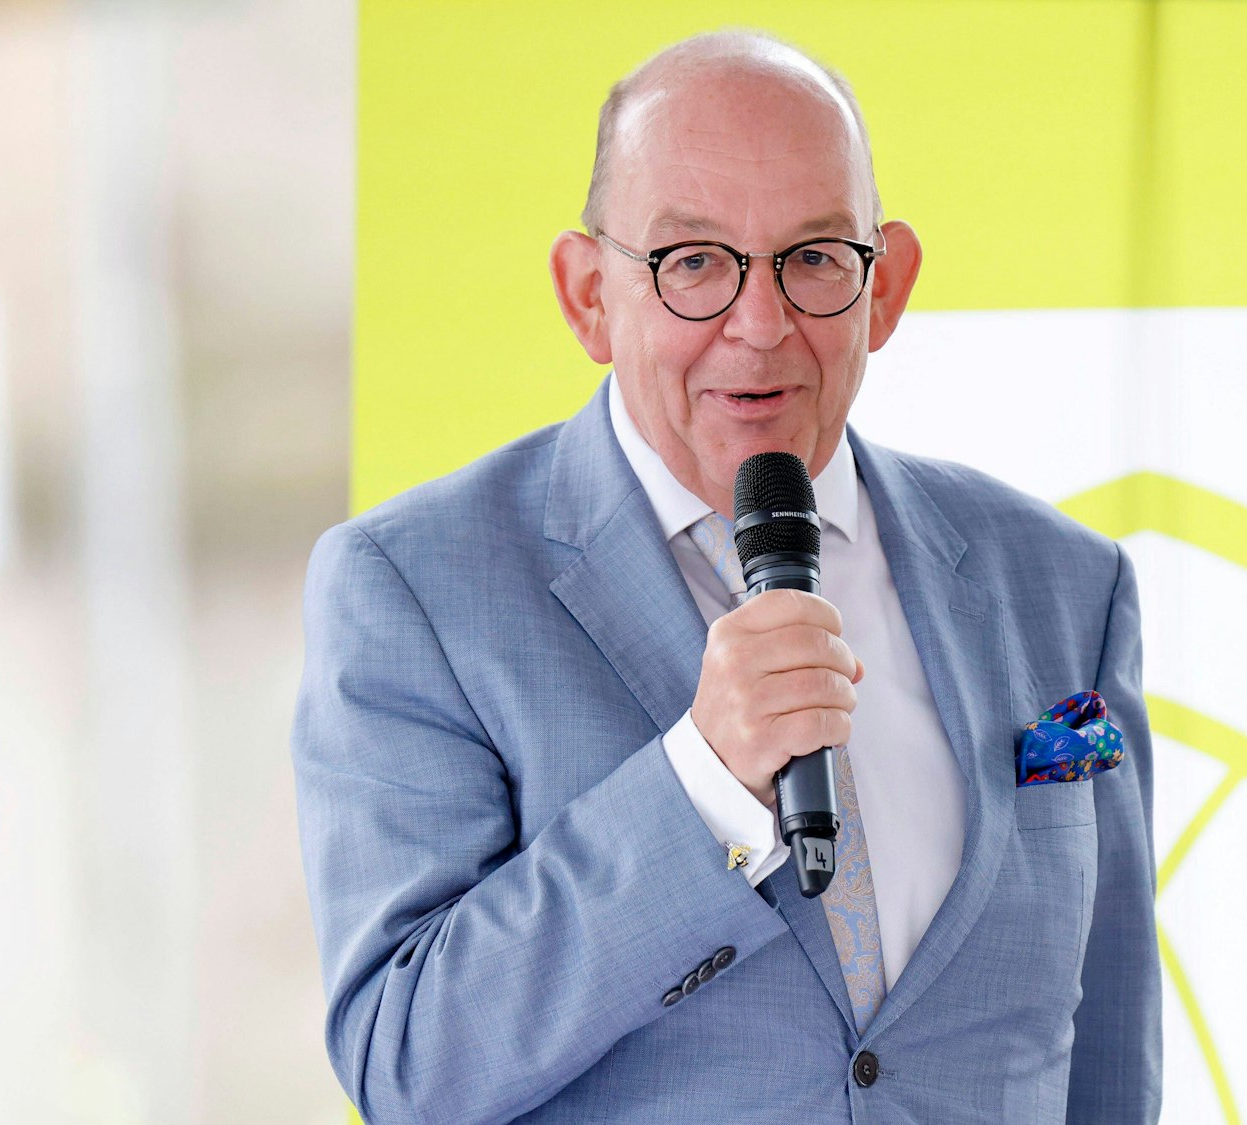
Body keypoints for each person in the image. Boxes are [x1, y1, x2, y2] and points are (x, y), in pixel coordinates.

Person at [293, 30, 1159, 1124]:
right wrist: (704, 782)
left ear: (882, 287)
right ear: (586, 298)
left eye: (811, 259)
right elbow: (409, 1064)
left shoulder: (1063, 585)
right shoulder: (412, 588)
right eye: (691, 261)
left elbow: (1110, 1056)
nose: (759, 325)